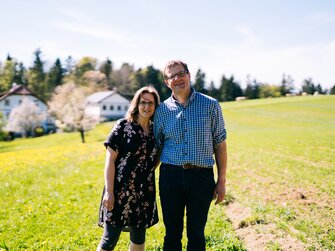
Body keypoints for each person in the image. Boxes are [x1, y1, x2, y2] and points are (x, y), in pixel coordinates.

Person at [154, 60, 227, 251]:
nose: (177, 79)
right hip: (170, 177)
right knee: (172, 234)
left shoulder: (210, 105)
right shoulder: (161, 111)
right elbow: (157, 147)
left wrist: (221, 181)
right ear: (167, 82)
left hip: (201, 178)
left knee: (196, 235)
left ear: (189, 75)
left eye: (181, 73)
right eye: (172, 76)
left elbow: (220, 143)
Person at [96, 86, 160, 251]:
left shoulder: (156, 131)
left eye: (151, 103)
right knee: (109, 240)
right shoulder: (123, 126)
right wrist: (109, 191)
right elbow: (110, 160)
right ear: (137, 104)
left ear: (156, 105)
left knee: (138, 239)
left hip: (144, 192)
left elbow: (155, 160)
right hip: (119, 191)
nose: (147, 107)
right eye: (143, 102)